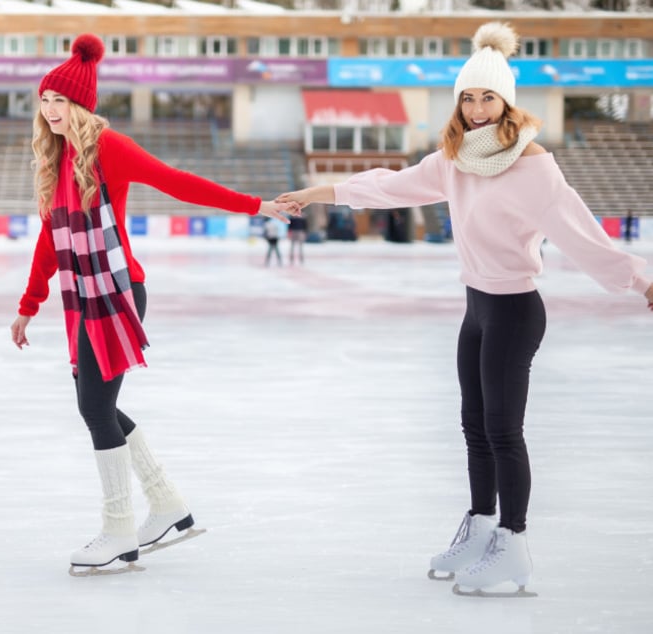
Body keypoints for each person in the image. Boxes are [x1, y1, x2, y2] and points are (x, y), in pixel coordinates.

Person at [276, 21, 653, 596]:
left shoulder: (535, 168)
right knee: (474, 426)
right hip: (477, 309)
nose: (478, 108)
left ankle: (514, 544)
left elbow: (583, 236)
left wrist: (640, 278)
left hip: (515, 311)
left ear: (507, 102)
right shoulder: (452, 161)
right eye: (469, 97)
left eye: (488, 97)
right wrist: (313, 192)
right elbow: (387, 185)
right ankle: (479, 529)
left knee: (504, 431)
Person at [9, 34, 298, 574]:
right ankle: (165, 503)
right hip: (83, 297)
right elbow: (50, 241)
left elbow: (176, 182)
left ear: (81, 105)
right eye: (44, 100)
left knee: (94, 407)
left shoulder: (108, 149)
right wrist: (29, 303)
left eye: (60, 101)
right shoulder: (57, 159)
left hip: (117, 293)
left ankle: (119, 528)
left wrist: (255, 204)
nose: (49, 110)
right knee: (99, 404)